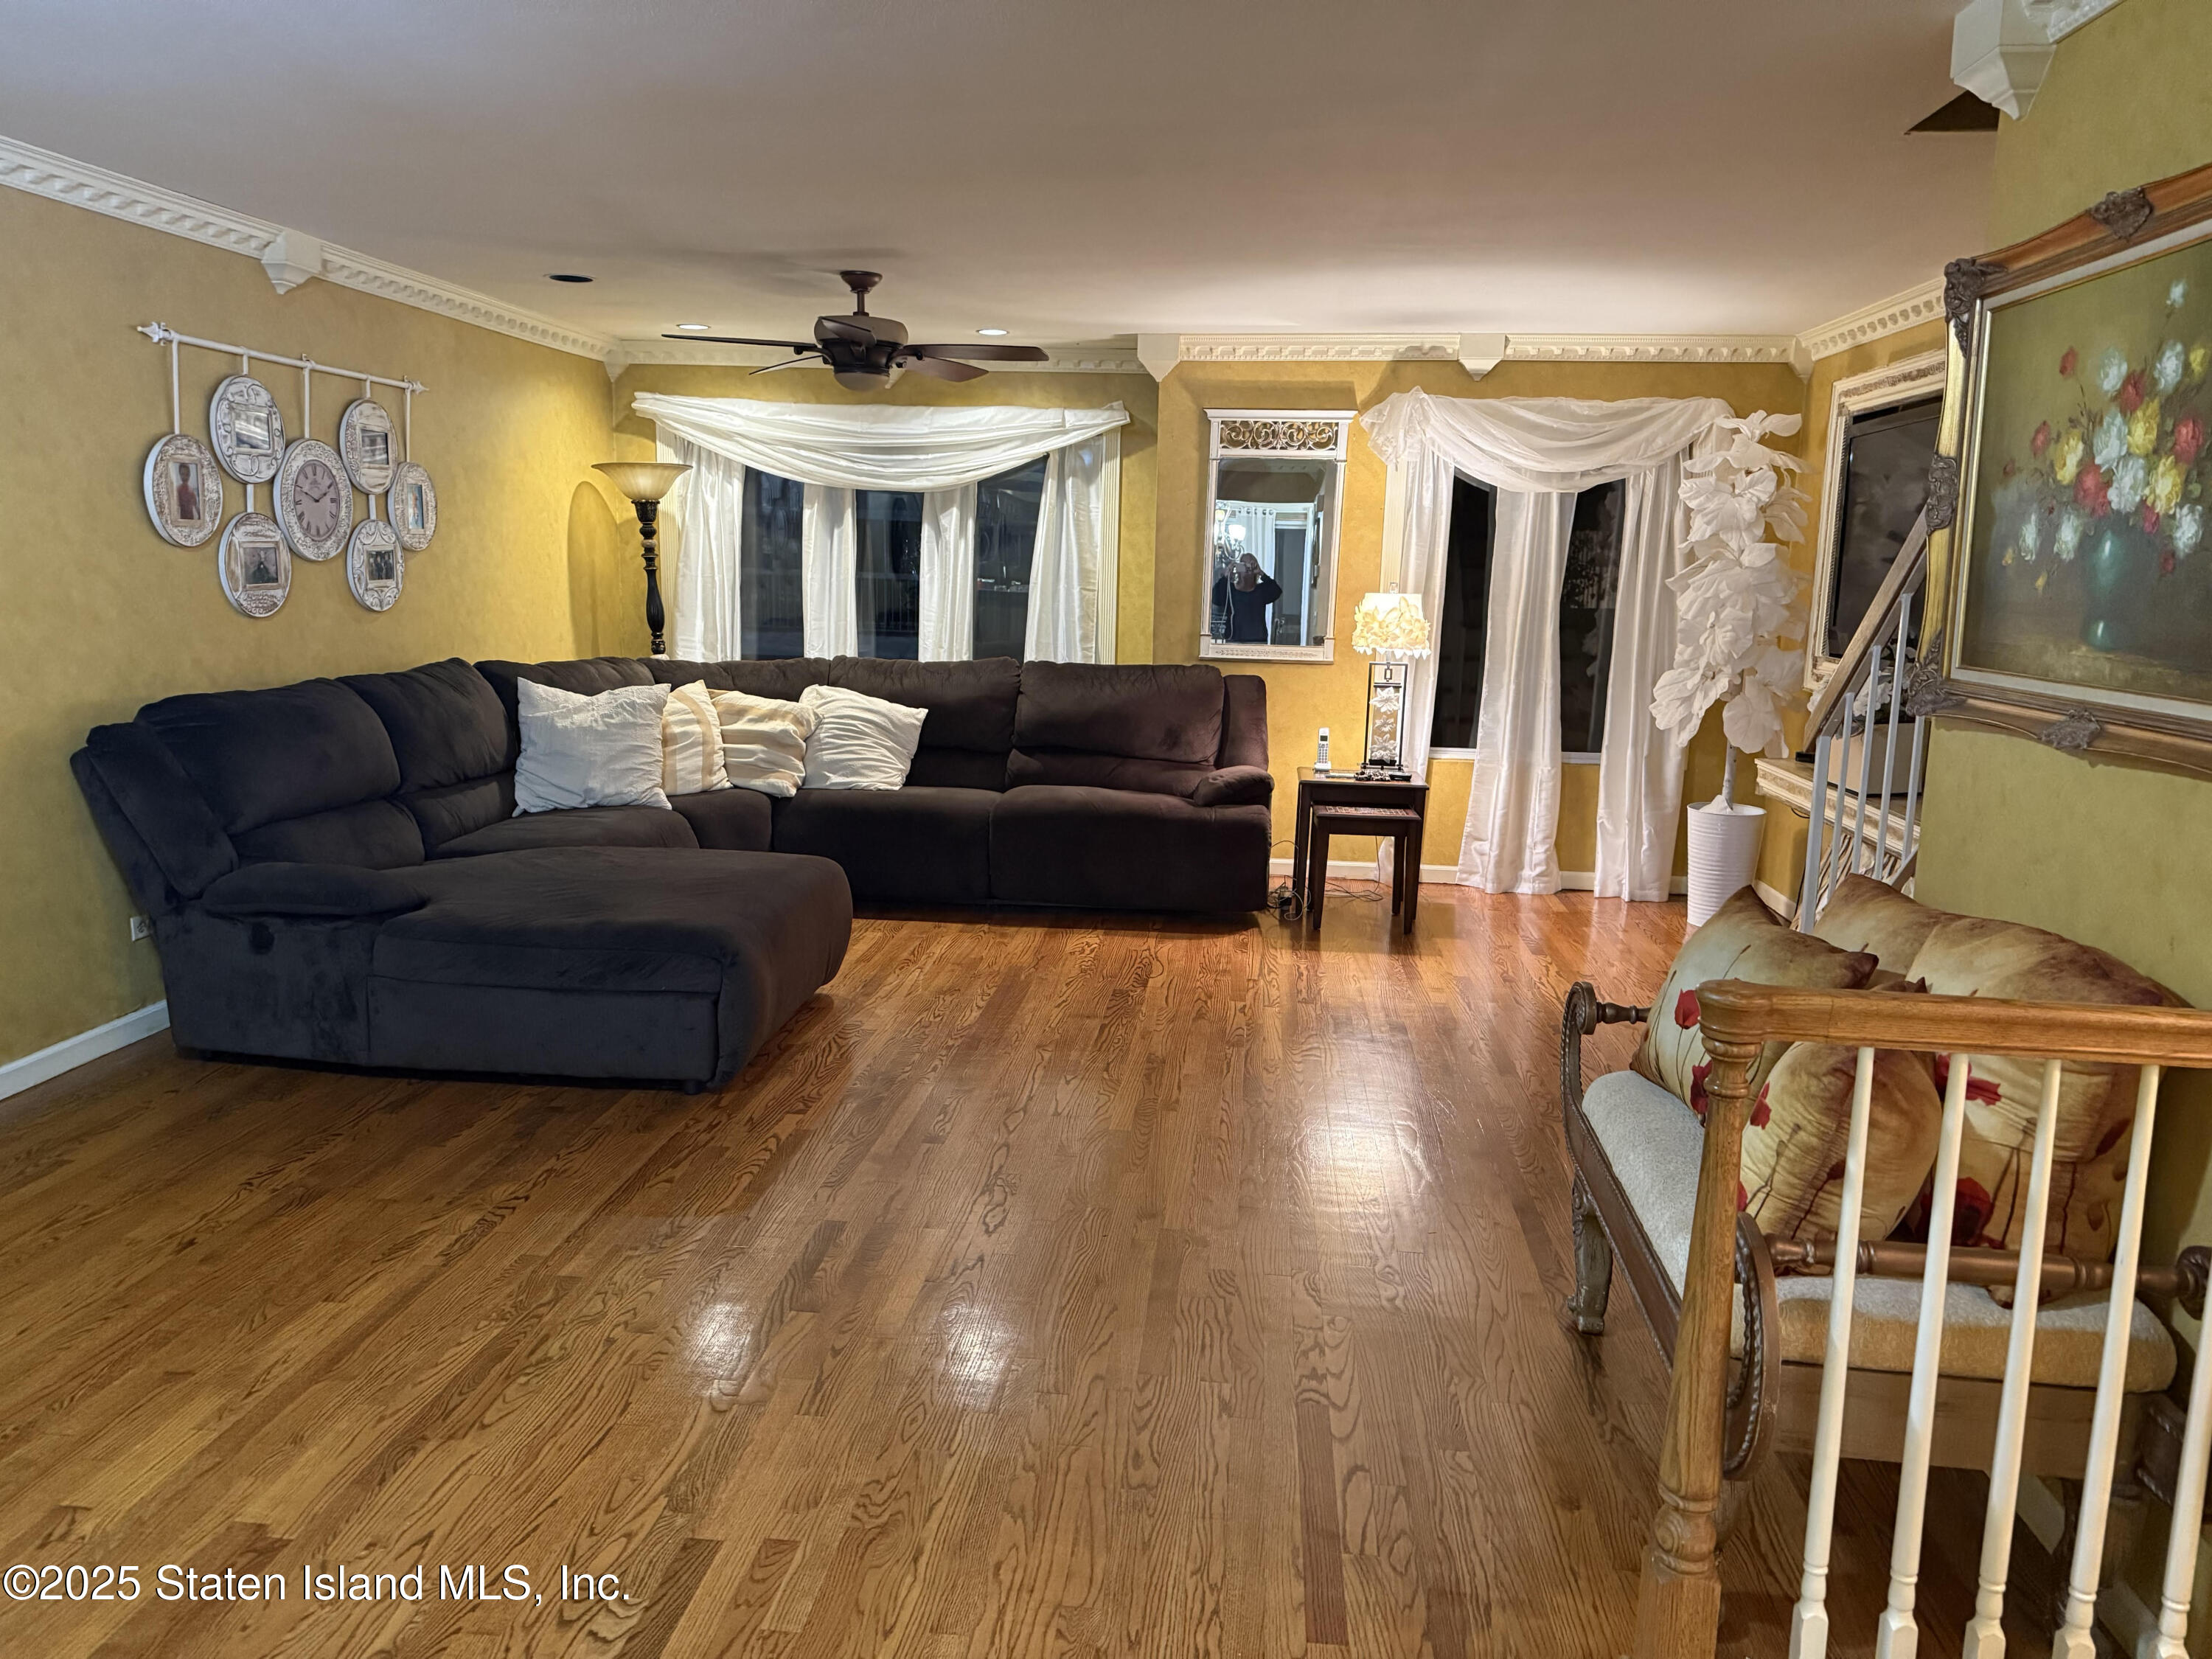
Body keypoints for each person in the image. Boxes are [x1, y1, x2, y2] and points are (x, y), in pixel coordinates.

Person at [1211, 551, 1283, 644]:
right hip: (1234, 641)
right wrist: (1227, 576)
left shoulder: (1261, 591)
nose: (1247, 568)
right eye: (1243, 565)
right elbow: (1215, 598)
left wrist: (1261, 573)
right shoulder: (1230, 590)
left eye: (1251, 565)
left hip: (1257, 642)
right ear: (1238, 568)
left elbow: (1277, 591)